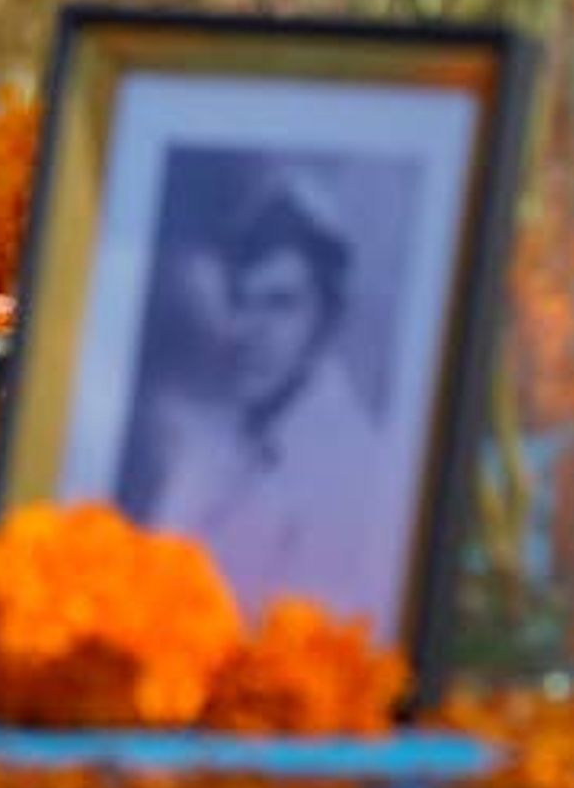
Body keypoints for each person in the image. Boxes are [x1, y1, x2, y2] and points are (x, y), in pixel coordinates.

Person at [124, 183, 403, 627]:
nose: (250, 329)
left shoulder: (357, 470)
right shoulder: (208, 444)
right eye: (241, 300)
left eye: (280, 304)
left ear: (328, 318)